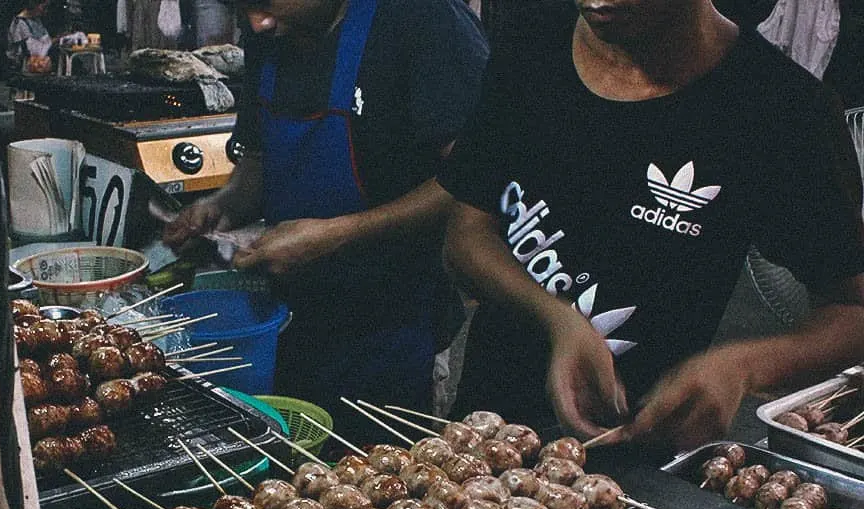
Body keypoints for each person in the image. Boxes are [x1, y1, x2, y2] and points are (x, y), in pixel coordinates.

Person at [438, 0, 864, 452]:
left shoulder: (780, 112)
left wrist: (740, 367)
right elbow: (467, 232)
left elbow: (852, 312)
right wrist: (559, 320)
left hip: (638, 459)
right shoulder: (535, 41)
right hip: (479, 438)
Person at [163, 0, 489, 443]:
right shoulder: (269, 32)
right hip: (284, 325)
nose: (258, 23)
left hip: (391, 332)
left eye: (265, 4)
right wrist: (223, 205)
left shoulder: (422, 19)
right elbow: (259, 159)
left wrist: (338, 235)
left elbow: (473, 182)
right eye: (244, 10)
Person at [8, 0, 54, 73]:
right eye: (44, 7)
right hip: (25, 65)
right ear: (34, 5)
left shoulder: (37, 21)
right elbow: (24, 49)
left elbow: (44, 40)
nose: (46, 11)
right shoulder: (19, 23)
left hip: (40, 61)